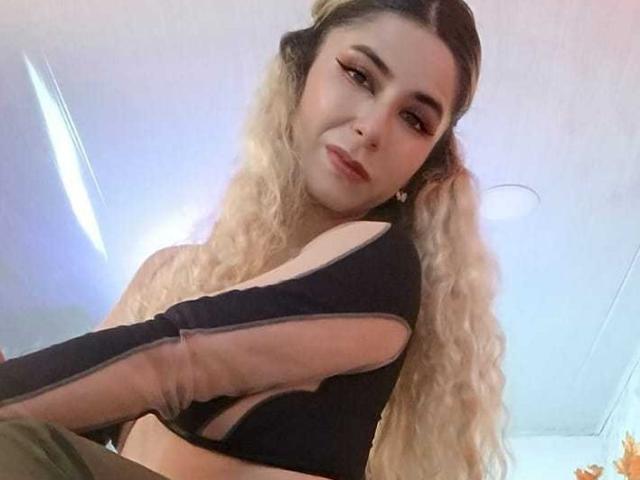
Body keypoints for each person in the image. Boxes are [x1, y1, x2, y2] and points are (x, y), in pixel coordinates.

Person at [0, 0, 513, 479]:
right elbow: (62, 405)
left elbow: (172, 360)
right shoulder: (166, 274)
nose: (372, 128)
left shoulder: (382, 268)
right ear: (300, 71)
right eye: (359, 75)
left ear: (428, 163)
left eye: (414, 119)